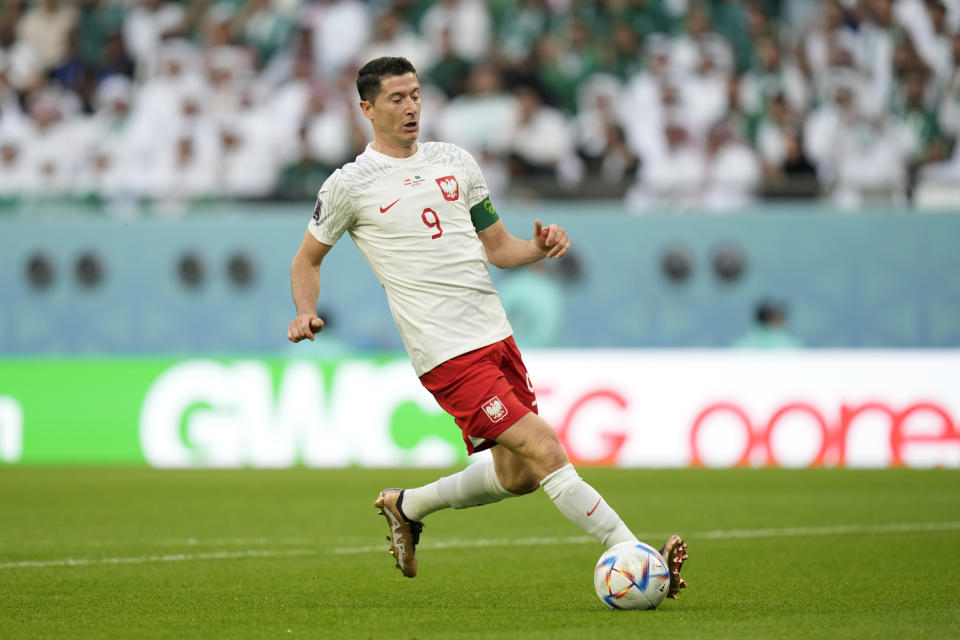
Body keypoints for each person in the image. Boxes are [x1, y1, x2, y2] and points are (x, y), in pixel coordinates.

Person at [286, 57, 687, 596]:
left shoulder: (456, 161)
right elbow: (305, 260)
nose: (411, 107)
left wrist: (538, 248)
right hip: (445, 351)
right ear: (367, 108)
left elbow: (499, 248)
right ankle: (635, 555)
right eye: (397, 98)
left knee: (520, 474)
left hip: (495, 335)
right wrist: (303, 310)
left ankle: (407, 506)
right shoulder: (349, 185)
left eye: (416, 95)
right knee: (545, 447)